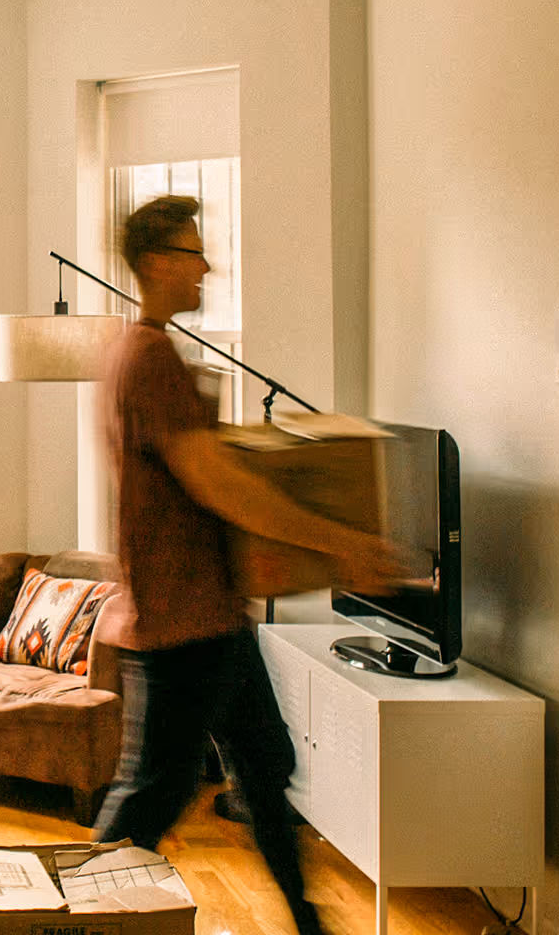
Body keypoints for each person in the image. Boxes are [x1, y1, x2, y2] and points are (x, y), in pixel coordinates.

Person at [94, 195, 404, 935]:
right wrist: (341, 543)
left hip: (210, 615)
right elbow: (218, 484)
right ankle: (61, 915)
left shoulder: (141, 352)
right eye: (194, 250)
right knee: (152, 796)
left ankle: (306, 920)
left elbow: (205, 465)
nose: (208, 265)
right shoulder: (151, 357)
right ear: (159, 262)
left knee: (264, 765)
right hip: (179, 623)